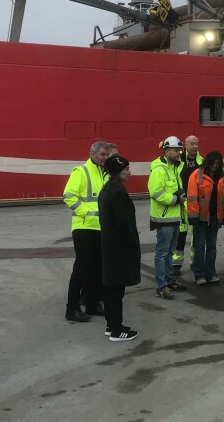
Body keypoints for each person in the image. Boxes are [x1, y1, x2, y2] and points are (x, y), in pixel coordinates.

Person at [62, 140, 111, 322]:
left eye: (107, 155)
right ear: (92, 154)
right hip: (84, 228)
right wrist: (87, 214)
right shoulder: (81, 172)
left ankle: (92, 303)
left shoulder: (104, 173)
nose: (105, 158)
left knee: (97, 269)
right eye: (102, 155)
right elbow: (69, 196)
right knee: (81, 269)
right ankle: (72, 308)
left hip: (99, 228)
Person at [99, 154, 141, 341]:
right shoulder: (117, 193)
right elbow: (124, 224)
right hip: (119, 248)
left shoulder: (107, 189)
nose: (129, 173)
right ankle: (116, 330)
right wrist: (133, 242)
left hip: (110, 246)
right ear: (117, 171)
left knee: (111, 288)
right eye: (126, 169)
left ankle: (112, 324)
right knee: (116, 290)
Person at [148, 136, 188, 299]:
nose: (178, 153)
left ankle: (170, 280)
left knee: (170, 252)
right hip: (164, 219)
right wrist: (176, 199)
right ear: (166, 151)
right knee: (162, 253)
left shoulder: (174, 168)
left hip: (174, 217)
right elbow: (156, 193)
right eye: (175, 150)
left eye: (179, 150)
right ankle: (161, 286)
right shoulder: (159, 170)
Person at [187, 150, 224, 285]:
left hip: (214, 217)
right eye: (213, 163)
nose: (214, 166)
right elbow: (192, 198)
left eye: (217, 164)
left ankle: (211, 274)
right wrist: (194, 217)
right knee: (200, 246)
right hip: (200, 218)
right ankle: (199, 275)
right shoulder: (196, 175)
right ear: (208, 163)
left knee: (211, 246)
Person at [173, 135, 202, 275]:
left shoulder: (201, 162)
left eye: (196, 144)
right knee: (180, 235)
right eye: (192, 144)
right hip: (181, 204)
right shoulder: (178, 160)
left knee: (196, 235)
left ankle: (194, 262)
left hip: (195, 204)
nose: (195, 146)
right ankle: (176, 264)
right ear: (185, 145)